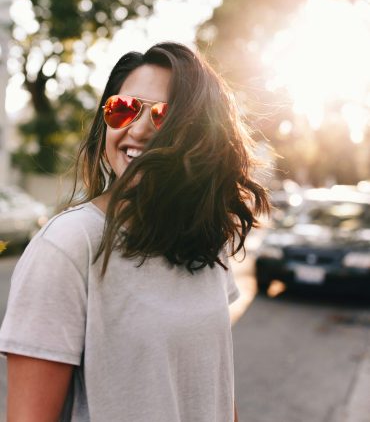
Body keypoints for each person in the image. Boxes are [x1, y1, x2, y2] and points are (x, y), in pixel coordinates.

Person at [0, 42, 269, 421]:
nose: (138, 130)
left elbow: (217, 390)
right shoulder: (68, 245)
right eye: (123, 110)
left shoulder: (207, 241)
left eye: (164, 117)